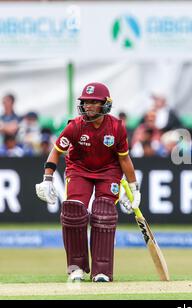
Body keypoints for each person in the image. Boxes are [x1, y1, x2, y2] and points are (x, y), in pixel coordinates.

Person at [35, 82, 141, 283]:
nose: (89, 106)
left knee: (103, 213)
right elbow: (56, 150)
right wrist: (47, 179)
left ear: (105, 104)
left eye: (94, 102)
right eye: (86, 102)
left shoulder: (117, 127)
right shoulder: (75, 126)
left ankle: (102, 271)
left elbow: (124, 158)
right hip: (79, 169)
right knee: (73, 210)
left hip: (109, 171)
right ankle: (76, 268)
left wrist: (134, 188)